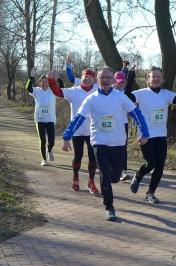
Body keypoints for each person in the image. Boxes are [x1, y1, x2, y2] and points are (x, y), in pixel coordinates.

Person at [62, 66, 151, 221]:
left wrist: (145, 132)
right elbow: (78, 118)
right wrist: (67, 136)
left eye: (109, 77)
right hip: (99, 142)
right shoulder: (91, 99)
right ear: (98, 79)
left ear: (113, 80)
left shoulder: (120, 97)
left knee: (115, 177)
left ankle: (110, 181)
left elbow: (136, 113)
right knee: (104, 175)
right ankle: (109, 207)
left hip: (118, 143)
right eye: (102, 77)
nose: (105, 80)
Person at [126, 66, 176, 203]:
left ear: (163, 80)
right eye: (153, 76)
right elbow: (127, 95)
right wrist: (130, 75)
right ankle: (138, 175)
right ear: (148, 79)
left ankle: (150, 193)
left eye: (158, 77)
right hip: (146, 135)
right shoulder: (142, 93)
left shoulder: (166, 94)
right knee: (151, 163)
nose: (156, 79)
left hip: (161, 135)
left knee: (160, 166)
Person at [47, 57, 99, 194]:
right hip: (77, 130)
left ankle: (91, 182)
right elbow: (58, 92)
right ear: (81, 78)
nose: (87, 79)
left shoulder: (98, 90)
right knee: (78, 156)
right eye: (85, 77)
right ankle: (75, 179)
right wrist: (51, 80)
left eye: (90, 78)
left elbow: (114, 87)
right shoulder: (73, 91)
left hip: (93, 130)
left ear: (94, 79)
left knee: (93, 157)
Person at [26, 69, 57, 166]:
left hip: (50, 119)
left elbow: (62, 89)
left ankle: (49, 150)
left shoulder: (52, 91)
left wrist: (56, 78)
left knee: (51, 141)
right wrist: (31, 77)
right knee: (43, 140)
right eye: (42, 81)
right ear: (40, 83)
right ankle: (44, 159)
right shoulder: (37, 91)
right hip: (40, 119)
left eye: (46, 81)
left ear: (48, 83)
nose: (44, 83)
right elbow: (28, 87)